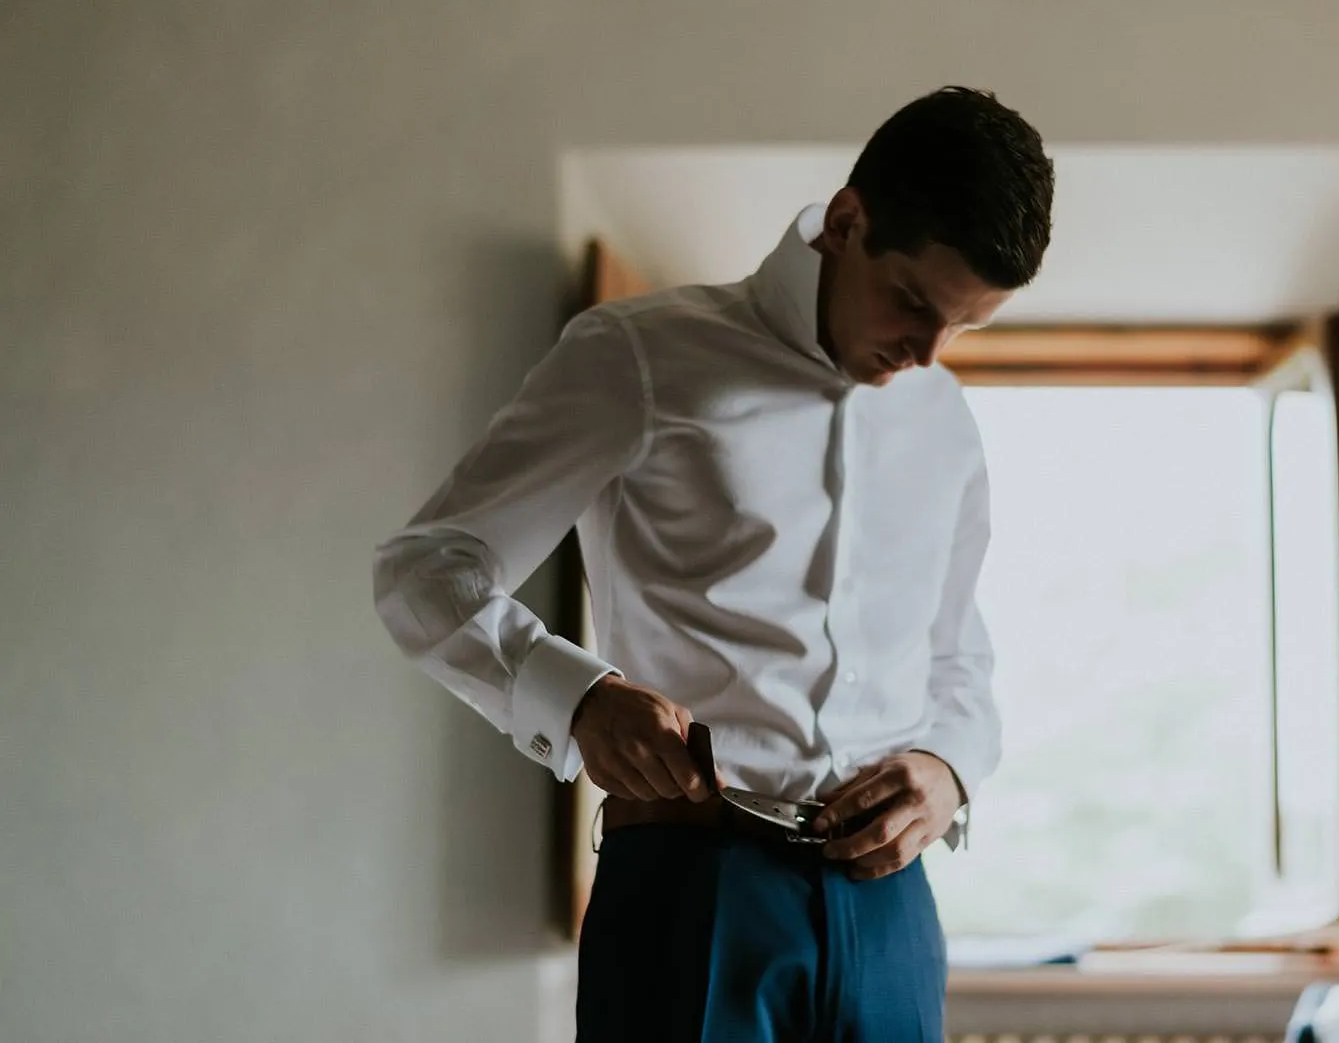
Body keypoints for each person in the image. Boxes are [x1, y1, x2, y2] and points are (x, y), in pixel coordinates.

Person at [373, 85, 1054, 1041]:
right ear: (847, 224)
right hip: (693, 885)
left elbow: (956, 653)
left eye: (964, 327)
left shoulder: (942, 420)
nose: (927, 352)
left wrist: (949, 768)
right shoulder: (639, 357)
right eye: (912, 302)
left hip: (893, 908)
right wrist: (579, 699)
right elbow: (428, 566)